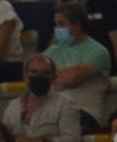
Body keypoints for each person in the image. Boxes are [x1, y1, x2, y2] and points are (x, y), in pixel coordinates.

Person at [0, 55, 81, 142]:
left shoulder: (65, 105)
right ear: (25, 76)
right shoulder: (12, 107)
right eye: (34, 72)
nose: (39, 76)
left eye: (45, 73)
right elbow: (2, 140)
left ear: (53, 78)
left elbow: (73, 141)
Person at [45, 2, 111, 131]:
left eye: (61, 24)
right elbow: (34, 77)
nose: (57, 29)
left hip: (82, 112)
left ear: (76, 25)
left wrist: (50, 75)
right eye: (56, 24)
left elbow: (72, 79)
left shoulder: (98, 51)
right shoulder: (52, 51)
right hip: (51, 109)